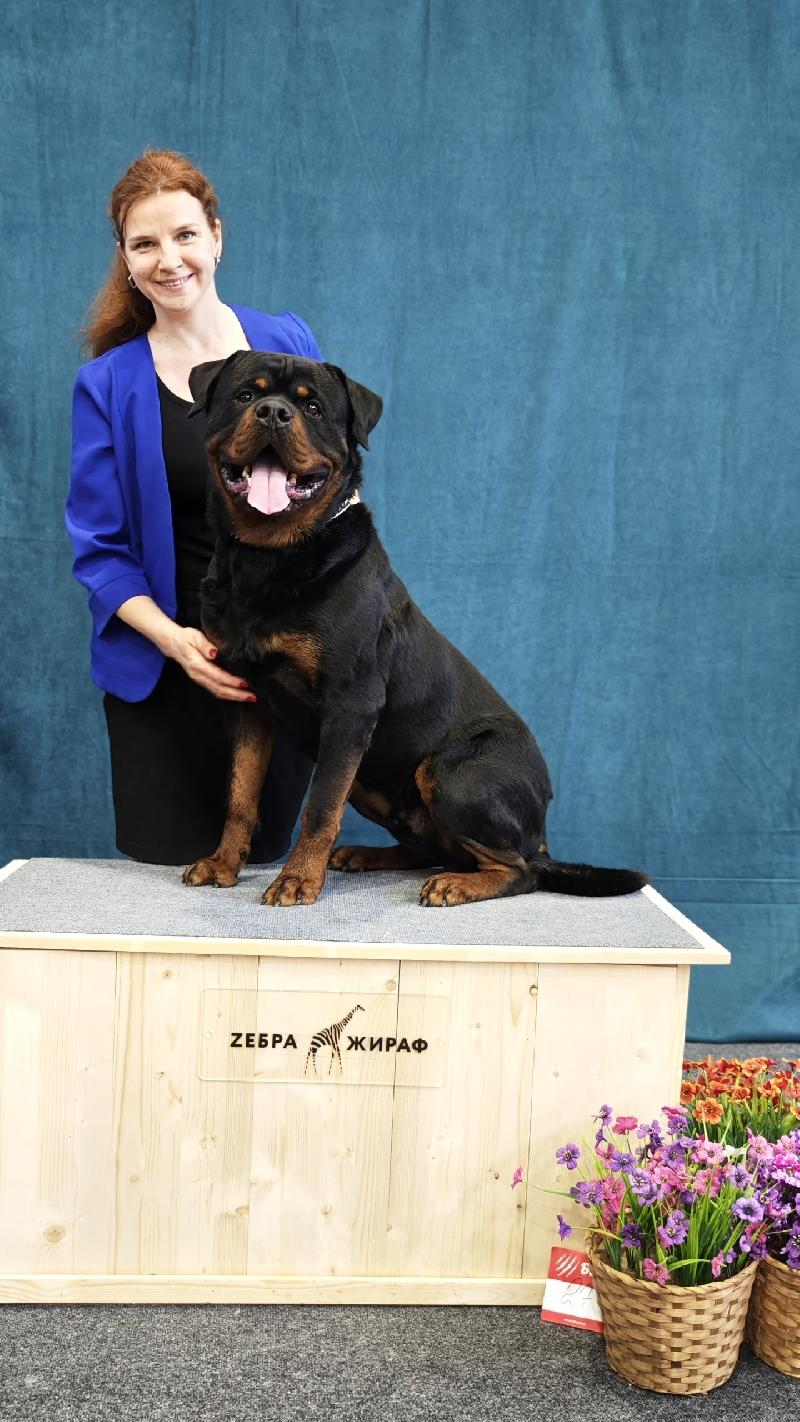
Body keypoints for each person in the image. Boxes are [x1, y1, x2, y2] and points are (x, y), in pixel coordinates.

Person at [65, 149, 320, 865]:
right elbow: (101, 552)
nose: (168, 259)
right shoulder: (106, 384)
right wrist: (177, 644)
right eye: (145, 243)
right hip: (166, 677)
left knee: (259, 877)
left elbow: (331, 485)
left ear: (216, 236)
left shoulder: (287, 341)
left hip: (276, 675)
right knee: (166, 880)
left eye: (184, 235)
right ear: (125, 258)